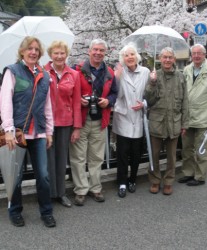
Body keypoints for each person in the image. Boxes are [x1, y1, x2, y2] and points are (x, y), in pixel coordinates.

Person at [0, 36, 56, 227]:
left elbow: (47, 105)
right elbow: (5, 102)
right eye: (29, 48)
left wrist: (49, 131)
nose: (33, 52)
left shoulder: (45, 75)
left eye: (36, 49)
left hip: (38, 133)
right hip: (16, 133)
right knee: (15, 175)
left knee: (43, 174)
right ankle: (14, 210)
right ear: (22, 51)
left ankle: (46, 211)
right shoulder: (12, 71)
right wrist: (8, 129)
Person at [69, 39, 117, 205]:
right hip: (81, 119)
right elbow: (70, 92)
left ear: (105, 52)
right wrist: (79, 100)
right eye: (95, 50)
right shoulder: (77, 70)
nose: (98, 53)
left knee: (97, 157)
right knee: (78, 157)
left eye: (101, 50)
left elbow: (115, 93)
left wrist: (108, 101)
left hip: (100, 119)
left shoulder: (109, 72)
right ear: (89, 51)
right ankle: (80, 189)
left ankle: (95, 188)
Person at [144, 47, 189, 195]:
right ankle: (155, 180)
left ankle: (169, 181)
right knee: (154, 155)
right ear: (160, 58)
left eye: (170, 57)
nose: (167, 60)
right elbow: (148, 100)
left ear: (174, 60)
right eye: (165, 57)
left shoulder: (181, 77)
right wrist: (152, 83)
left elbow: (185, 102)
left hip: (174, 122)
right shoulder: (154, 75)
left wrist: (184, 123)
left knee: (171, 156)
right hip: (157, 122)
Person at [178, 44, 207, 186]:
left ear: (204, 55)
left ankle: (199, 176)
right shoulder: (186, 70)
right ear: (191, 55)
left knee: (201, 149)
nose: (196, 56)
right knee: (186, 149)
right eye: (194, 53)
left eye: (199, 53)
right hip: (188, 117)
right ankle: (188, 173)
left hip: (204, 117)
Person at [44, 41, 82, 208]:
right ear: (50, 55)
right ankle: (48, 193)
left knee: (61, 160)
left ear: (66, 55)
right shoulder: (43, 72)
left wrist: (77, 127)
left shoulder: (73, 74)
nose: (59, 56)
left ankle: (60, 193)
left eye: (62, 53)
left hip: (66, 122)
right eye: (56, 53)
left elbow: (76, 103)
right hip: (46, 123)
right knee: (47, 160)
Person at [112, 44, 150, 198]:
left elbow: (150, 94)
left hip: (139, 117)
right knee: (122, 154)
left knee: (136, 153)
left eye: (132, 54)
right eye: (126, 55)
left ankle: (132, 179)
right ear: (123, 58)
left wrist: (144, 104)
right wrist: (117, 77)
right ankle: (121, 182)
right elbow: (117, 95)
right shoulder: (119, 72)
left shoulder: (146, 72)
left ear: (137, 56)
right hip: (123, 117)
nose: (129, 57)